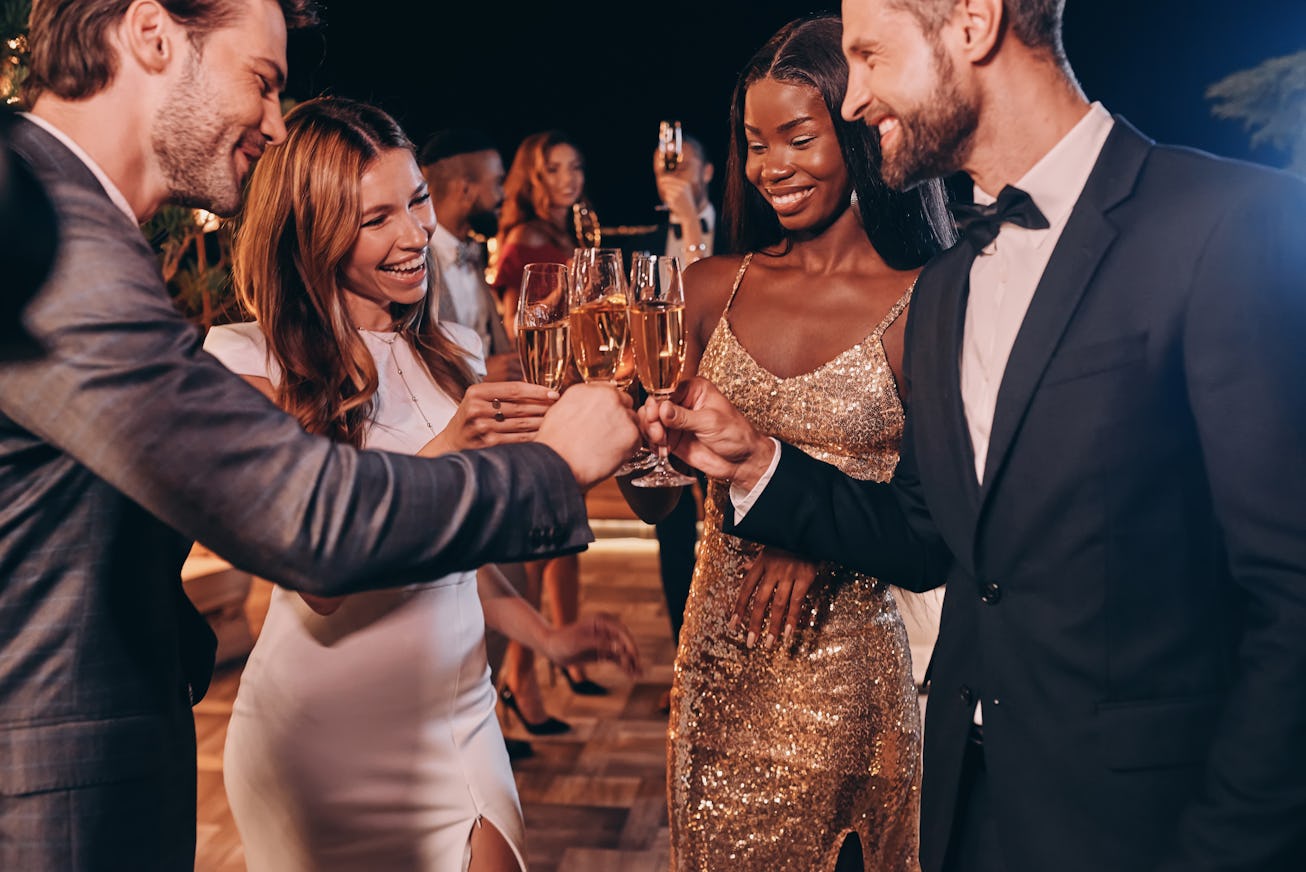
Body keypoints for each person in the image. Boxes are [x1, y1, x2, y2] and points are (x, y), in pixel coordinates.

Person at [646, 1, 1306, 871]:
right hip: (966, 810)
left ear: (973, 22)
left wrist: (1229, 847)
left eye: (871, 57)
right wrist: (761, 464)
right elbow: (925, 541)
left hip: (1147, 829)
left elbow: (1291, 599)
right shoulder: (950, 284)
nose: (854, 102)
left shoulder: (1229, 225)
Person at [0, 2, 637, 868]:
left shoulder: (64, 221)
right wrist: (555, 465)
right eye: (261, 81)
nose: (273, 124)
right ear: (151, 34)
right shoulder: (42, 228)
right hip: (55, 792)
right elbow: (311, 520)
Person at [203, 95, 641, 871]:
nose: (415, 235)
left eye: (416, 201)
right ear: (307, 228)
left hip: (462, 714)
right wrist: (450, 448)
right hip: (323, 738)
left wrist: (544, 639)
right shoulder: (251, 366)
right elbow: (324, 580)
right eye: (375, 219)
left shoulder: (458, 354)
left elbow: (453, 564)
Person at [660, 15, 951, 871]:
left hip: (853, 683)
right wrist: (640, 445)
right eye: (755, 144)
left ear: (857, 134)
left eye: (798, 137)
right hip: (719, 669)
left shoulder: (923, 301)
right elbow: (659, 500)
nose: (772, 166)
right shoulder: (709, 288)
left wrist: (815, 538)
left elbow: (930, 515)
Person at [491, 128, 607, 734]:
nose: (569, 179)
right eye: (556, 169)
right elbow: (523, 323)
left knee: (567, 538)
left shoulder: (570, 234)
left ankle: (567, 656)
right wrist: (575, 288)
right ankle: (521, 678)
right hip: (543, 396)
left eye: (575, 167)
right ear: (534, 179)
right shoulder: (524, 240)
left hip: (574, 388)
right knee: (536, 547)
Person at [419, 127, 520, 382]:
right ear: (465, 190)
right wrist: (480, 374)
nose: (504, 194)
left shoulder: (471, 254)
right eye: (498, 182)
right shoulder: (414, 266)